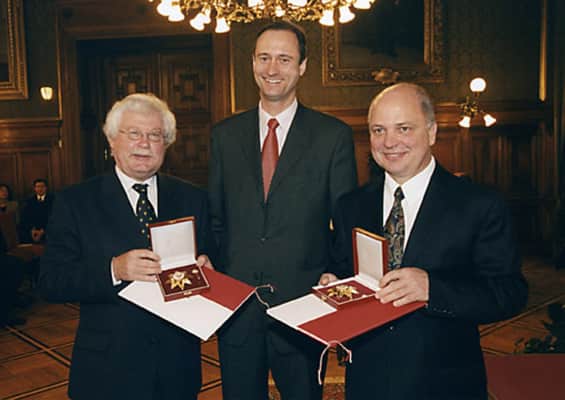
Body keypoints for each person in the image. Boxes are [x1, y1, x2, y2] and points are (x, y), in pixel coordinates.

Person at [330, 83, 528, 400]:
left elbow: (510, 293)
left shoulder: (479, 205)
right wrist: (334, 283)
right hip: (368, 380)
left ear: (432, 132)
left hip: (444, 383)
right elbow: (343, 268)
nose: (389, 142)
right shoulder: (350, 205)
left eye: (403, 128)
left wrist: (432, 289)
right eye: (378, 130)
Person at [208, 21, 358, 400]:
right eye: (264, 58)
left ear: (302, 66)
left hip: (303, 306)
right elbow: (215, 217)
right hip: (237, 309)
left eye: (284, 59)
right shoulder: (224, 136)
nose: (272, 68)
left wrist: (336, 275)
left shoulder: (332, 136)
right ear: (252, 63)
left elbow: (346, 222)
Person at [39, 93, 215, 400]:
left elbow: (214, 259)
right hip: (108, 370)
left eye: (155, 135)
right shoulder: (75, 202)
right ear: (111, 141)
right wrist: (113, 269)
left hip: (176, 368)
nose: (144, 143)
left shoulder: (193, 198)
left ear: (166, 144)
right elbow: (52, 281)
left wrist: (210, 269)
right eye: (133, 133)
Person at [19, 178, 54, 243]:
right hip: (32, 229)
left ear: (46, 188)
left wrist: (42, 231)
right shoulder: (29, 201)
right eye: (38, 187)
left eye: (42, 186)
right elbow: (25, 217)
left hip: (47, 228)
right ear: (34, 188)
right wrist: (32, 230)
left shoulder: (52, 200)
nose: (40, 189)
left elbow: (53, 217)